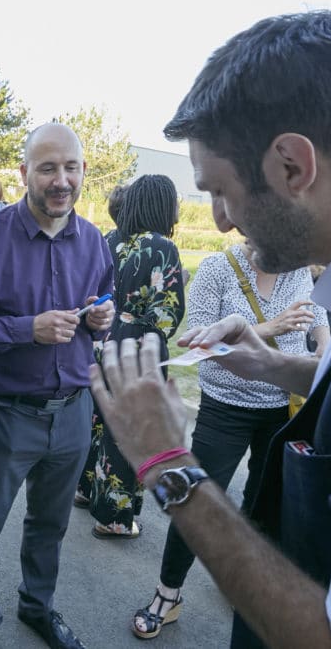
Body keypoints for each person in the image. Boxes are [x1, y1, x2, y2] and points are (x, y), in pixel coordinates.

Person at [91, 10, 331, 648]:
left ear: (293, 166)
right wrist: (278, 366)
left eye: (219, 191)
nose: (217, 223)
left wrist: (167, 462)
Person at [0, 123, 115, 649]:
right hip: (4, 414)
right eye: (48, 168)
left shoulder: (94, 242)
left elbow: (104, 301)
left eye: (71, 167)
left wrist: (102, 318)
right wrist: (27, 329)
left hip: (72, 414)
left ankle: (37, 607)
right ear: (24, 174)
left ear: (83, 171)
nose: (61, 179)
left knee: (50, 526)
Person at [130, 240, 327, 639]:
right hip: (225, 407)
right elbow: (198, 341)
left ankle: (243, 586)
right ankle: (167, 595)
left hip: (283, 408)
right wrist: (271, 327)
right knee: (190, 496)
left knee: (262, 503)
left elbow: (317, 317)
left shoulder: (297, 269)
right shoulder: (217, 269)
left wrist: (323, 350)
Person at [75, 175, 186, 540]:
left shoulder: (108, 240)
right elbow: (167, 315)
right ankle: (115, 517)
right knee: (126, 434)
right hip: (135, 351)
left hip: (99, 343)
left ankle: (84, 488)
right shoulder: (162, 248)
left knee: (96, 420)